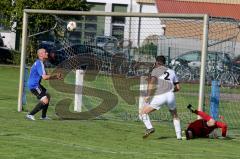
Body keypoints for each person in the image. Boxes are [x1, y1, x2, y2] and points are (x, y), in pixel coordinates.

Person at [139, 55, 182, 139]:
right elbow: (178, 88)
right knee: (175, 116)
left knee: (143, 112)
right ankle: (179, 136)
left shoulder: (155, 70)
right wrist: (171, 92)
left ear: (157, 62)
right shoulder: (172, 71)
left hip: (160, 96)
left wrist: (148, 96)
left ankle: (149, 128)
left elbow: (151, 84)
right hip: (170, 95)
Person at [26, 48, 62, 120]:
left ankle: (43, 116)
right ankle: (30, 115)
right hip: (34, 85)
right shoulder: (39, 63)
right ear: (41, 54)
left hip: (36, 84)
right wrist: (55, 76)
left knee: (47, 95)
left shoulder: (40, 63)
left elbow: (44, 75)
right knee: (45, 100)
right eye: (45, 52)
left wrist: (55, 77)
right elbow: (45, 77)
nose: (47, 53)